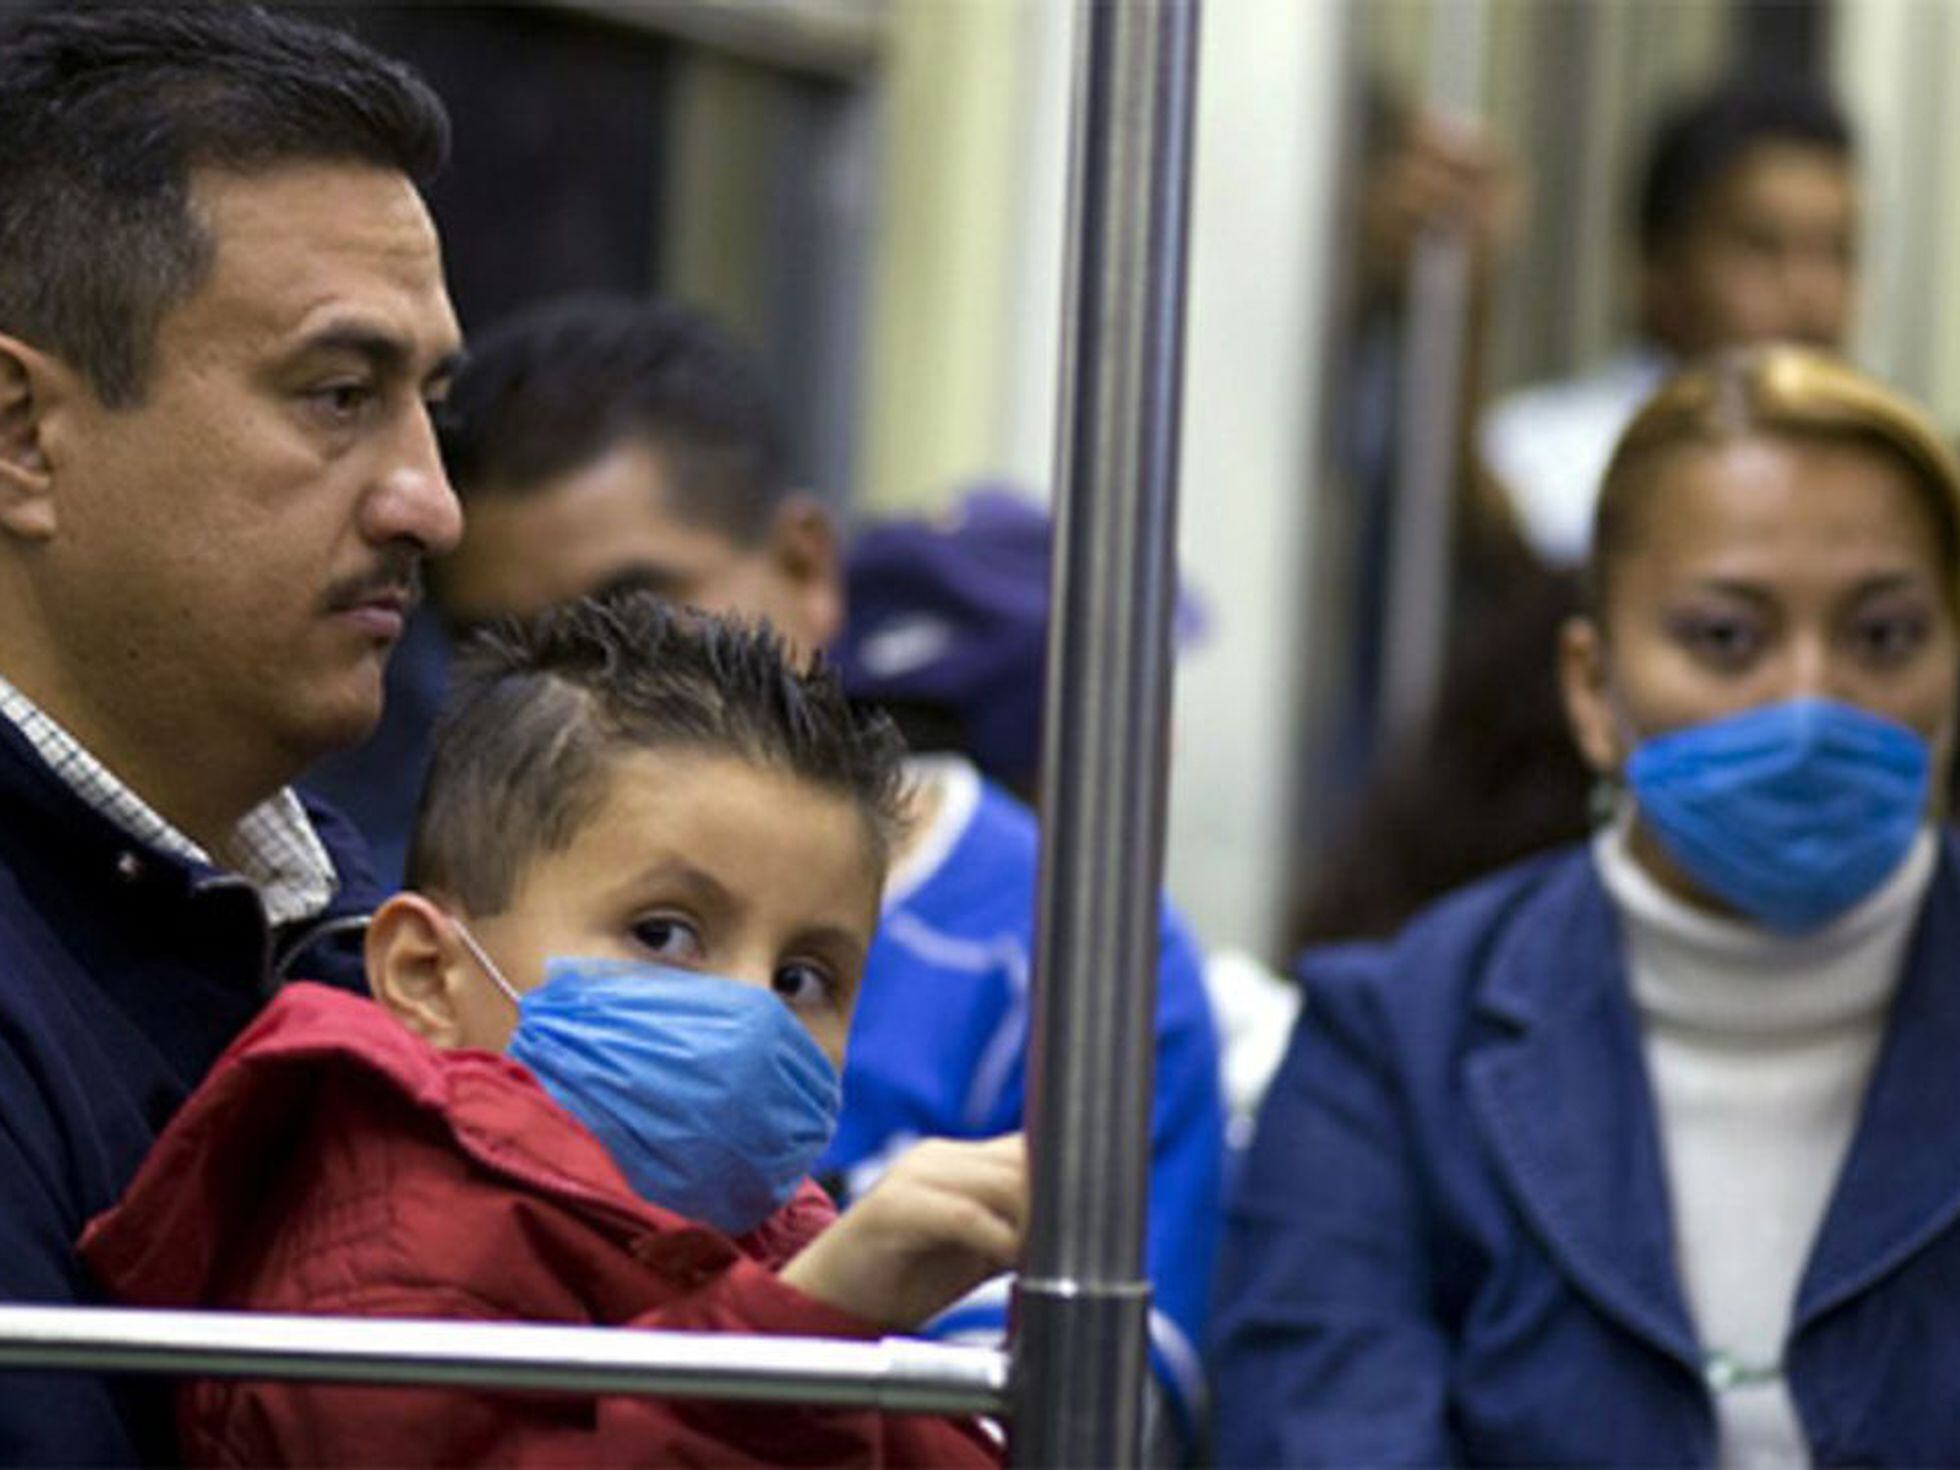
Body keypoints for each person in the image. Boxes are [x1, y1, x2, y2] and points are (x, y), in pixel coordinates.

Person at [433, 297, 1226, 1448]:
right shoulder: (456, 921)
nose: (573, 691)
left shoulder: (1064, 958)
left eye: (631, 611)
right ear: (418, 968)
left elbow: (1073, 1428)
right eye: (489, 651)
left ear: (805, 564)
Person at [1213, 345, 1960, 1465]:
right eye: (1726, 638)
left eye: (1883, 636)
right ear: (1592, 688)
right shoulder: (1394, 1052)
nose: (1810, 700)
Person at [84, 591, 1021, 1466]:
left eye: (802, 977)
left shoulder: (764, 1233)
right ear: (426, 975)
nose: (751, 1016)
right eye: (663, 934)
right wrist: (807, 1331)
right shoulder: (383, 1267)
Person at [0, 8, 461, 1461]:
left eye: (429, 406)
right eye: (339, 395)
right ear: (22, 435)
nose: (430, 504)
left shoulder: (340, 930)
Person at [1480, 75, 1858, 566]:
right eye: (1761, 248)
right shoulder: (1539, 454)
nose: (1808, 292)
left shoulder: (1883, 482)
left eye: (1838, 251)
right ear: (1657, 265)